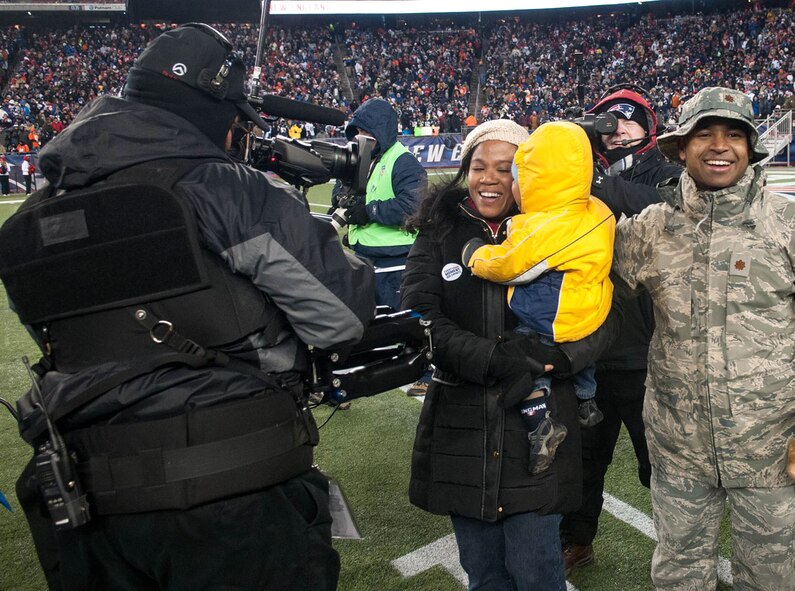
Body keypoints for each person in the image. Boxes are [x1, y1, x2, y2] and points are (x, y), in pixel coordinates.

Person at [0, 24, 375, 591]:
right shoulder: (221, 186)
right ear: (222, 113)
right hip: (227, 493)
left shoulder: (36, 212)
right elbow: (342, 316)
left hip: (83, 501)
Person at [613, 86, 795, 590]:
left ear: (750, 149)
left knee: (768, 578)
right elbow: (585, 289)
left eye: (734, 134)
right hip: (678, 448)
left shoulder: (790, 226)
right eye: (704, 135)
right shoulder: (652, 229)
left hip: (773, 448)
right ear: (681, 149)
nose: (720, 146)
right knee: (679, 575)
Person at [401, 119, 625, 591]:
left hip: (540, 433)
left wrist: (558, 362)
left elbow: (606, 316)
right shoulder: (439, 231)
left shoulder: (569, 227)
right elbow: (419, 317)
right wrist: (490, 358)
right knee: (484, 576)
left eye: (505, 168)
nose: (490, 178)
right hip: (461, 424)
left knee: (537, 573)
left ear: (527, 175)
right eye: (479, 166)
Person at [559, 88, 683, 576]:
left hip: (647, 351)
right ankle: (577, 540)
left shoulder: (664, 173)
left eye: (629, 122)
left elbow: (669, 209)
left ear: (649, 128)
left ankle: (680, 548)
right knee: (584, 461)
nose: (619, 131)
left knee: (663, 463)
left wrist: (595, 185)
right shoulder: (580, 175)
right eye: (609, 123)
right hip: (588, 345)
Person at [464, 120, 615, 475]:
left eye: (511, 174)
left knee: (528, 362)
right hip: (593, 308)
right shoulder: (595, 208)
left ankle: (540, 423)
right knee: (583, 364)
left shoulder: (546, 226)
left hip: (555, 318)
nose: (505, 183)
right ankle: (586, 400)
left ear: (534, 180)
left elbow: (511, 266)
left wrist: (474, 255)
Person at [336, 97, 427, 312]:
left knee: (396, 327)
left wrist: (368, 211)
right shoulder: (360, 158)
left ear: (381, 131)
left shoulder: (403, 160)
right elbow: (340, 192)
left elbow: (414, 206)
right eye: (357, 131)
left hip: (395, 264)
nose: (360, 137)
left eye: (366, 132)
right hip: (363, 259)